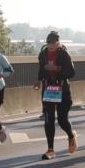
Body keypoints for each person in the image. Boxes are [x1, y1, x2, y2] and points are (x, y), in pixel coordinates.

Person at [33, 31, 77, 160]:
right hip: (48, 90)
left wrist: (57, 69)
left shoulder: (63, 53)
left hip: (62, 90)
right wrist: (39, 80)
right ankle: (50, 150)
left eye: (54, 43)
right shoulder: (43, 54)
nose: (51, 45)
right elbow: (41, 69)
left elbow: (71, 72)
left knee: (62, 120)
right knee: (48, 120)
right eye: (49, 43)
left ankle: (70, 135)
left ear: (58, 42)